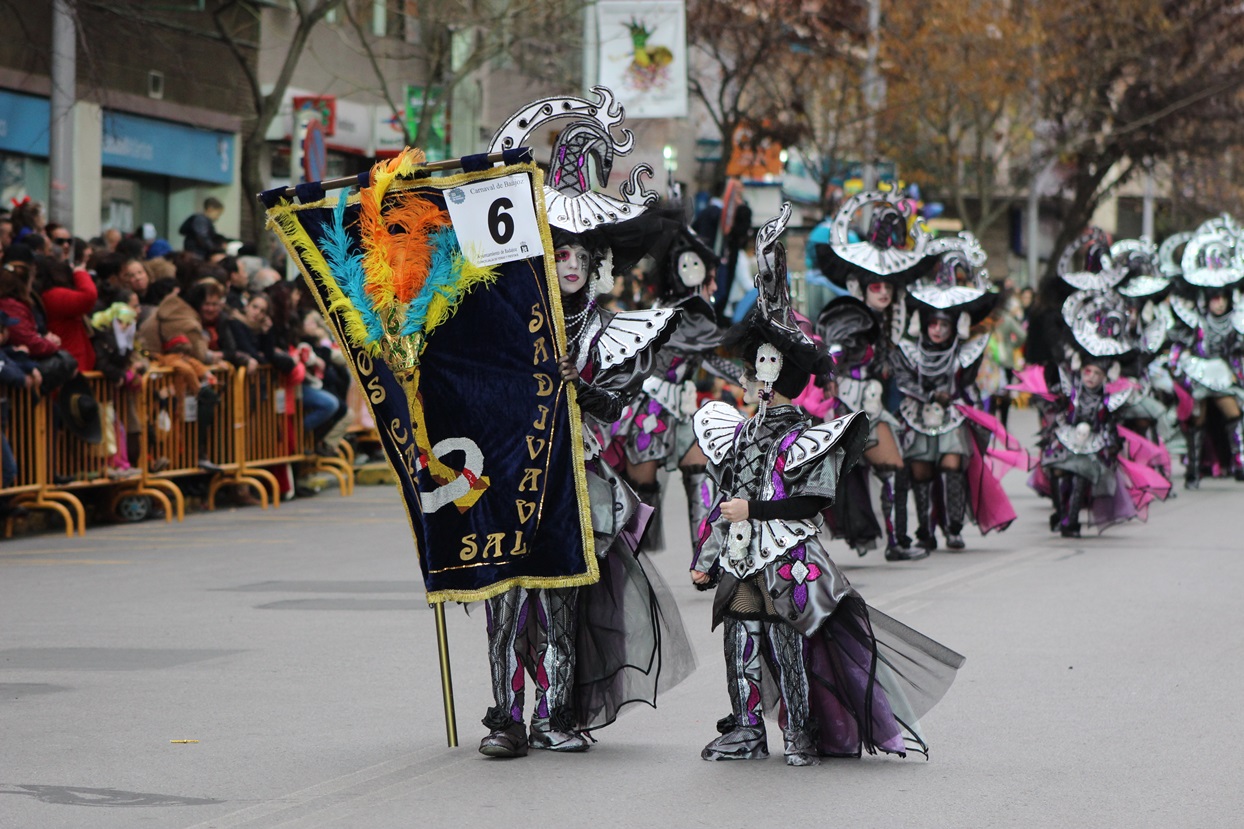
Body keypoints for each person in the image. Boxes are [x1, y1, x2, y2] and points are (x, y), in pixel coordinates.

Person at [691, 204, 963, 765]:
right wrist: (709, 551)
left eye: (759, 370)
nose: (749, 380)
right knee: (739, 636)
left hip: (787, 555)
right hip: (742, 556)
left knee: (789, 643)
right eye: (751, 369)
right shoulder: (740, 436)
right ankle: (745, 728)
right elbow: (726, 502)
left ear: (776, 378)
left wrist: (754, 514)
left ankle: (798, 731)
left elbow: (815, 499)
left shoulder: (807, 437)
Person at [477, 99, 693, 759]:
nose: (569, 263)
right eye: (558, 251)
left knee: (562, 595)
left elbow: (619, 408)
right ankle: (506, 716)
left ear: (595, 258)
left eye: (579, 253)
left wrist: (582, 384)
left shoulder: (609, 326)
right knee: (508, 598)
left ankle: (556, 711)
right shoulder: (513, 317)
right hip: (515, 474)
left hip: (580, 480)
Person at [37, 257, 98, 373]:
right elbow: (89, 296)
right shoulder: (53, 296)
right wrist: (80, 273)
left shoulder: (50, 295)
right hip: (70, 365)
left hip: (72, 362)